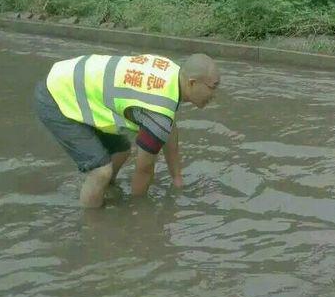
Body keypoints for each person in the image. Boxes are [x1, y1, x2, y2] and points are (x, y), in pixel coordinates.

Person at [34, 51, 220, 207]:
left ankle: (103, 192)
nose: (214, 95)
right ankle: (90, 227)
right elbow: (144, 169)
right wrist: (137, 211)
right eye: (213, 87)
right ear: (192, 82)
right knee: (101, 172)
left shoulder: (171, 72)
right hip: (56, 96)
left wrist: (177, 178)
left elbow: (169, 129)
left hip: (71, 76)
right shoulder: (159, 114)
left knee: (121, 151)